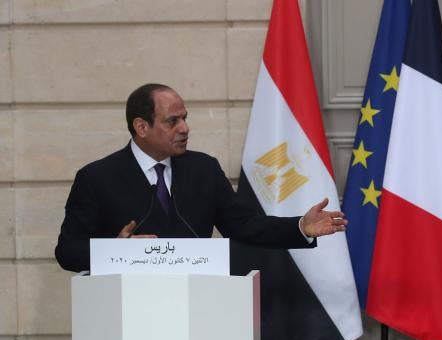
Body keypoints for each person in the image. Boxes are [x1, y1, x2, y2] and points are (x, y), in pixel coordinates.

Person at [55, 83, 347, 273]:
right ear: (141, 127)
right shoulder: (97, 178)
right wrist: (113, 251)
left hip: (198, 309)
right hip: (127, 313)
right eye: (172, 121)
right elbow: (68, 251)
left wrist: (301, 226)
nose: (184, 128)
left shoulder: (203, 169)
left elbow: (245, 225)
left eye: (185, 118)